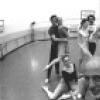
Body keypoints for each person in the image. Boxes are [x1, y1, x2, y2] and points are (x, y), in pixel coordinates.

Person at [45, 15, 60, 84]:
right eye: (53, 19)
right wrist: (64, 39)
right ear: (51, 21)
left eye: (56, 19)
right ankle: (48, 77)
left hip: (60, 46)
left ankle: (57, 72)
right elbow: (54, 39)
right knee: (51, 61)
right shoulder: (51, 29)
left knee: (58, 60)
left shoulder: (59, 27)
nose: (55, 20)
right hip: (54, 47)